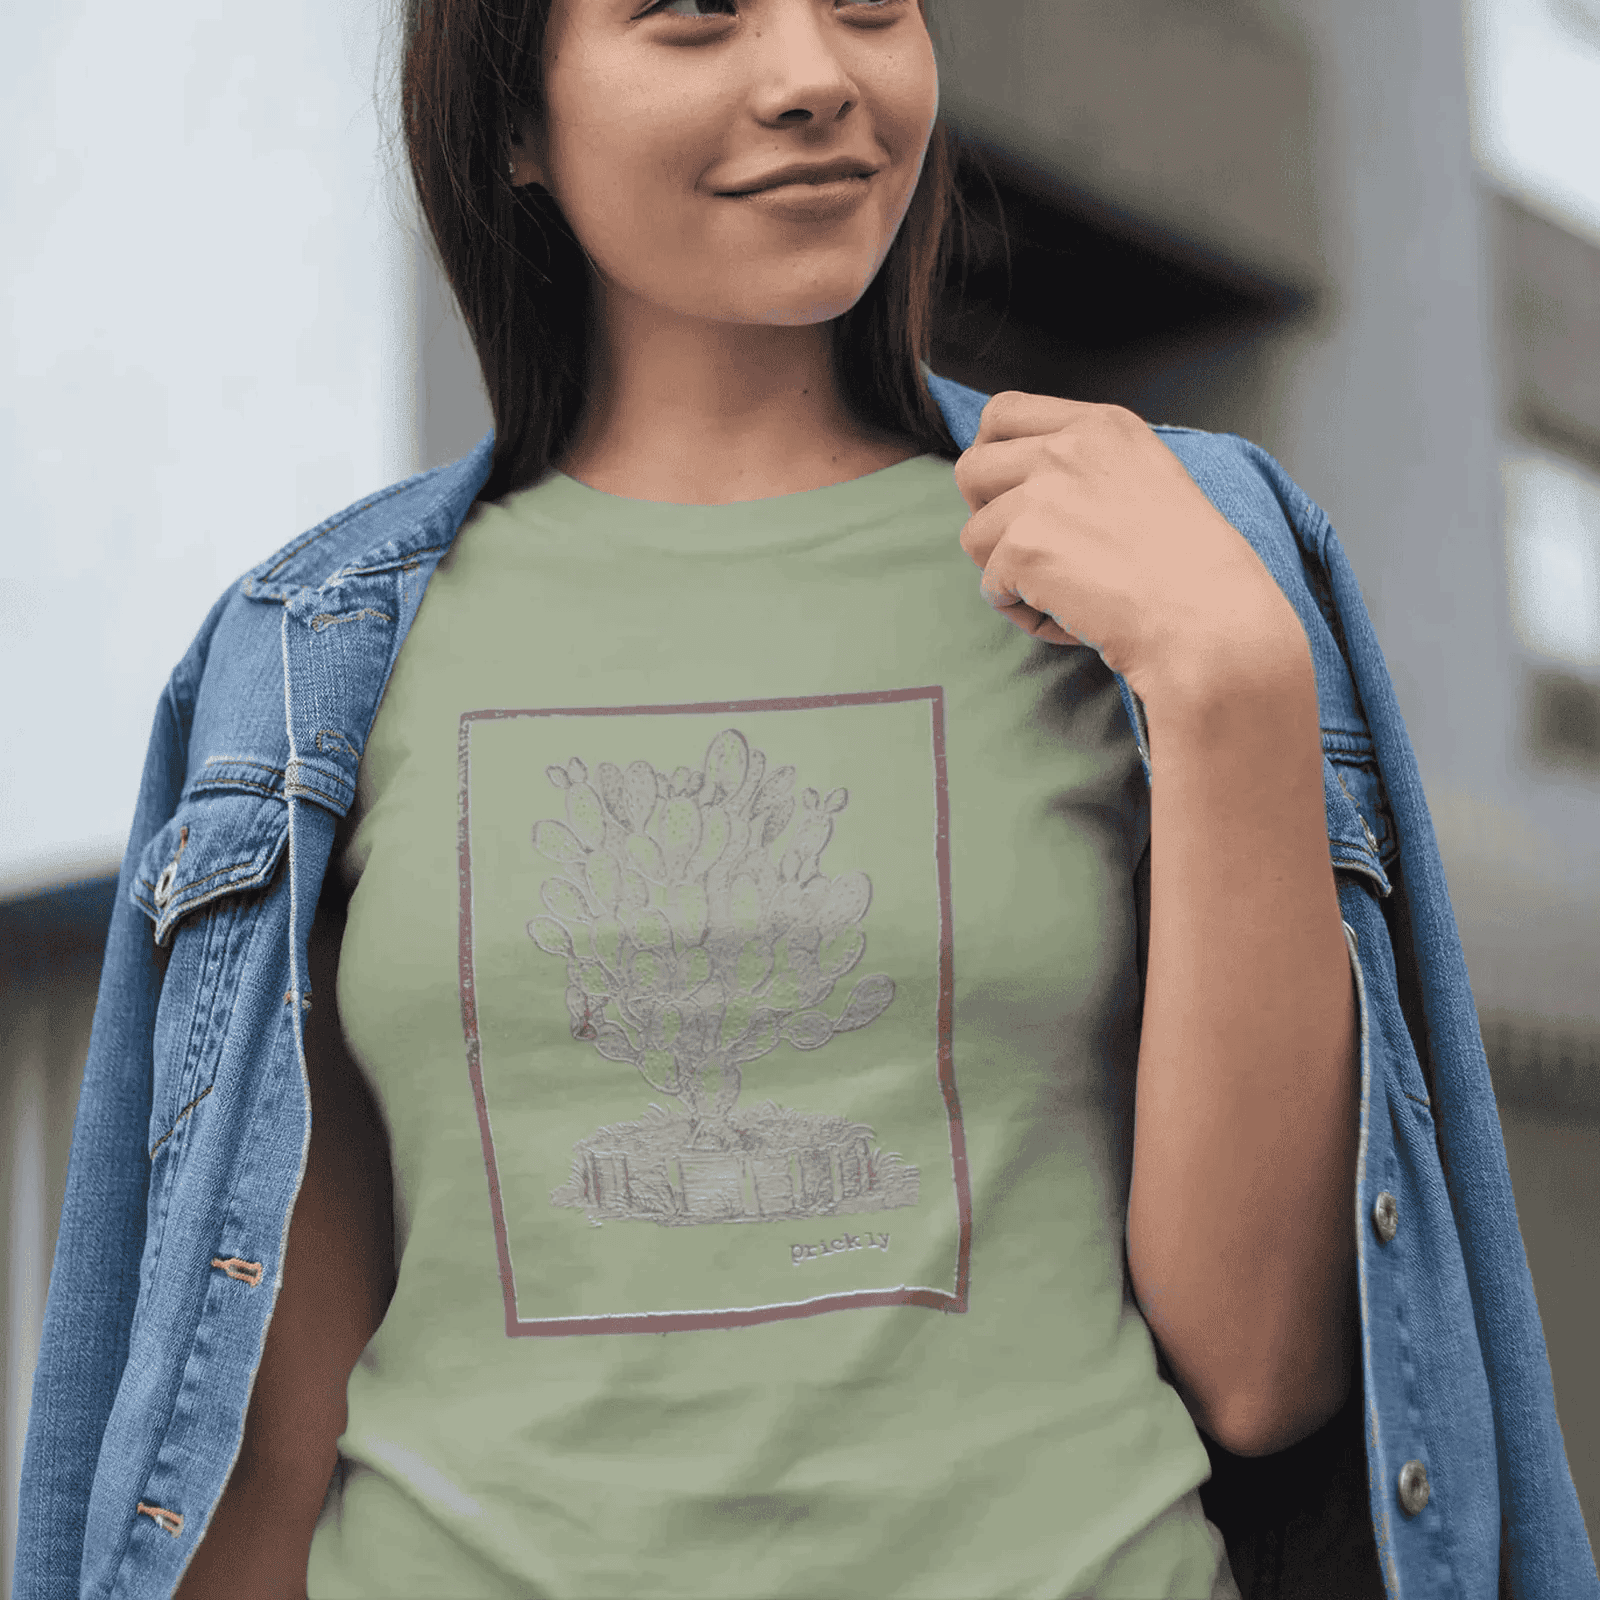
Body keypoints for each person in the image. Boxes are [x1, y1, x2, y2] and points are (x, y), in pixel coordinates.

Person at [16, 1, 1598, 1597]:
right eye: (697, 19)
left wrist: (1235, 687)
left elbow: (1264, 1370)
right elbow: (261, 1440)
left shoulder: (1157, 558)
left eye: (867, 7)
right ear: (510, 122)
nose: (814, 78)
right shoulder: (310, 656)